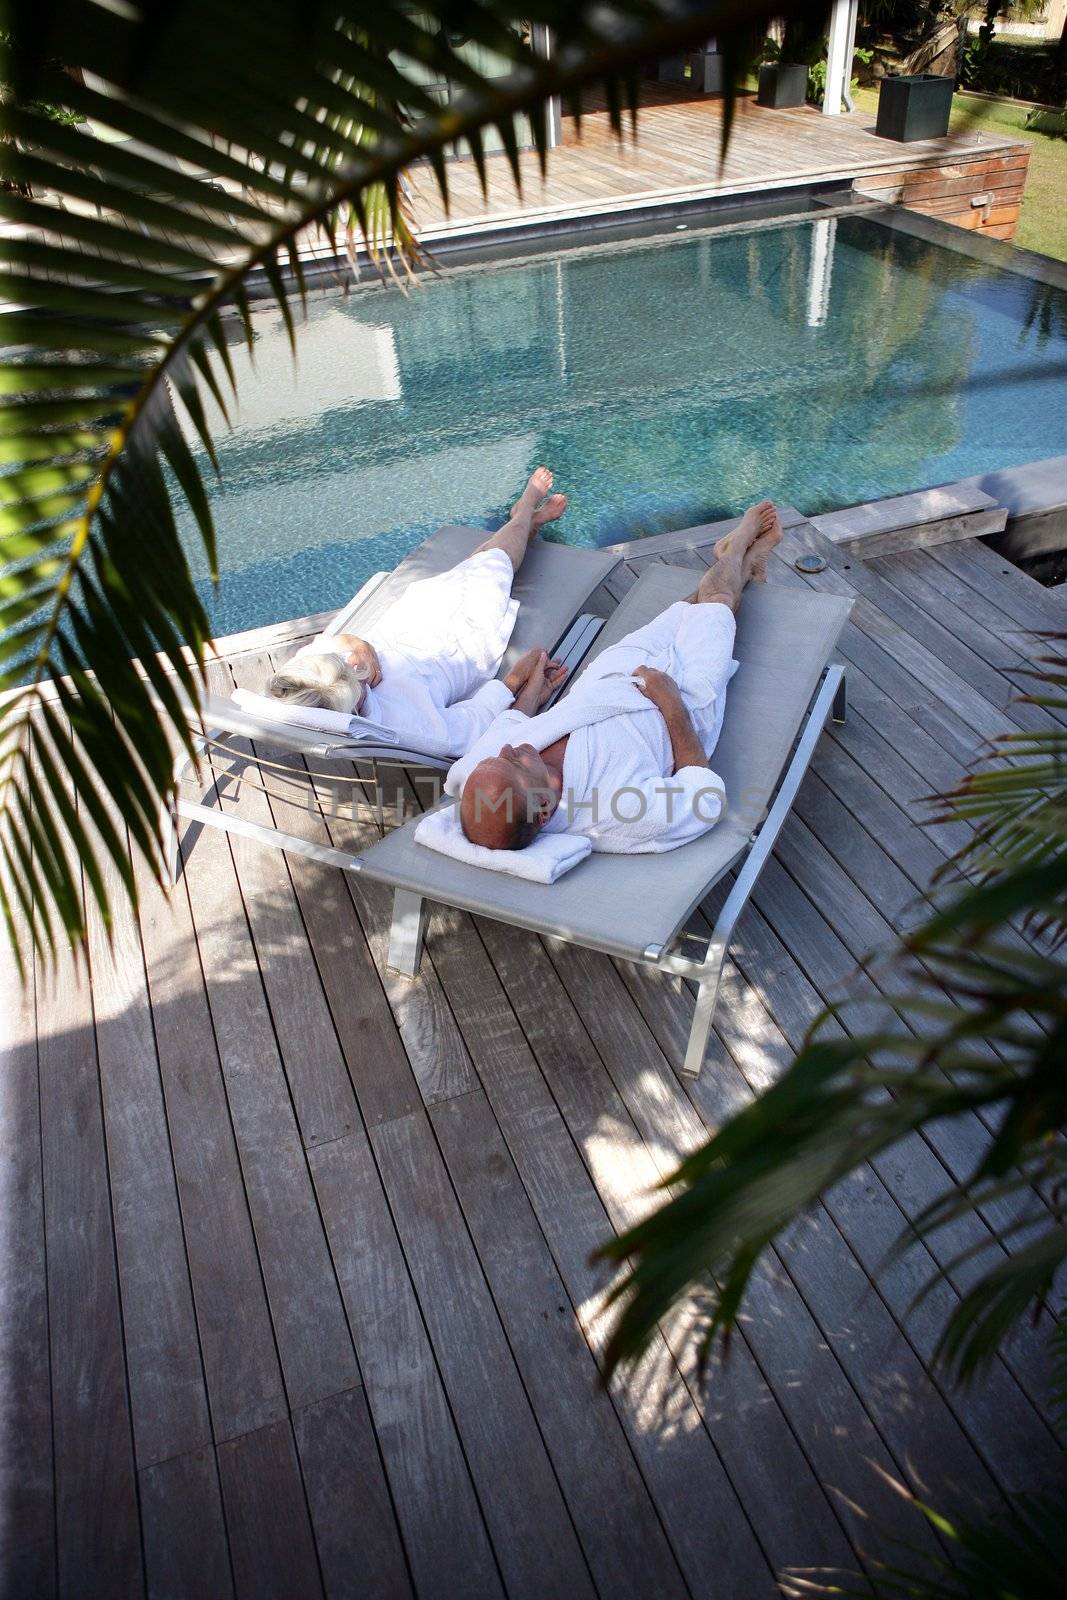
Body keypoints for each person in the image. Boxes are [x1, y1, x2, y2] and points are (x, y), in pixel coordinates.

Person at [451, 500, 782, 855]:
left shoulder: (488, 770)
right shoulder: (616, 813)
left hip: (607, 682)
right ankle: (737, 549)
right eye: (513, 761)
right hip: (683, 702)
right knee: (715, 603)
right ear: (544, 810)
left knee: (687, 607)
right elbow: (703, 796)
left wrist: (532, 689)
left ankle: (740, 564)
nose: (505, 749)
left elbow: (508, 724)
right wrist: (670, 705)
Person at [264, 467, 569, 758]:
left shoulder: (299, 686)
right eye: (352, 677)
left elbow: (331, 644)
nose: (351, 669)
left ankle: (525, 521)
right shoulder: (409, 728)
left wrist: (357, 645)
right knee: (493, 565)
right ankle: (525, 509)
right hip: (457, 644)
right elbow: (474, 722)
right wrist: (516, 680)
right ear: (351, 709)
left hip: (408, 622)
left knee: (475, 569)